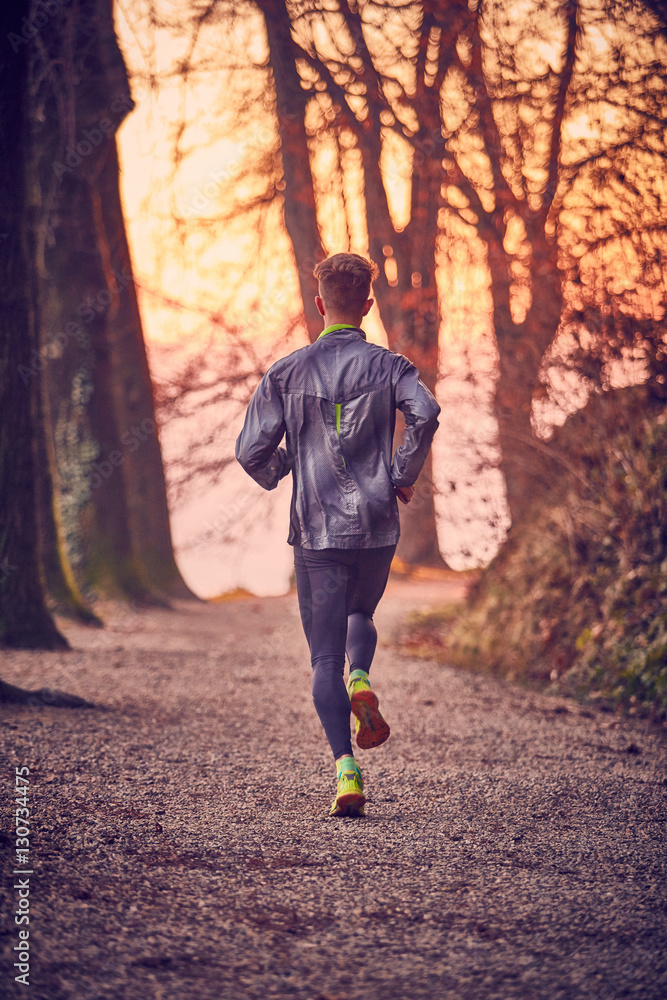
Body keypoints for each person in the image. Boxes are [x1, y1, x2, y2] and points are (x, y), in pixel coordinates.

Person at [236, 252, 440, 817]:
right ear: (367, 306)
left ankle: (345, 769)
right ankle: (361, 677)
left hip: (316, 532)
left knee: (320, 655)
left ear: (321, 303)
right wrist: (400, 475)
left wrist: (284, 469)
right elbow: (426, 413)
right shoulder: (392, 367)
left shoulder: (287, 372)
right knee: (362, 618)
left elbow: (249, 449)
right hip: (376, 525)